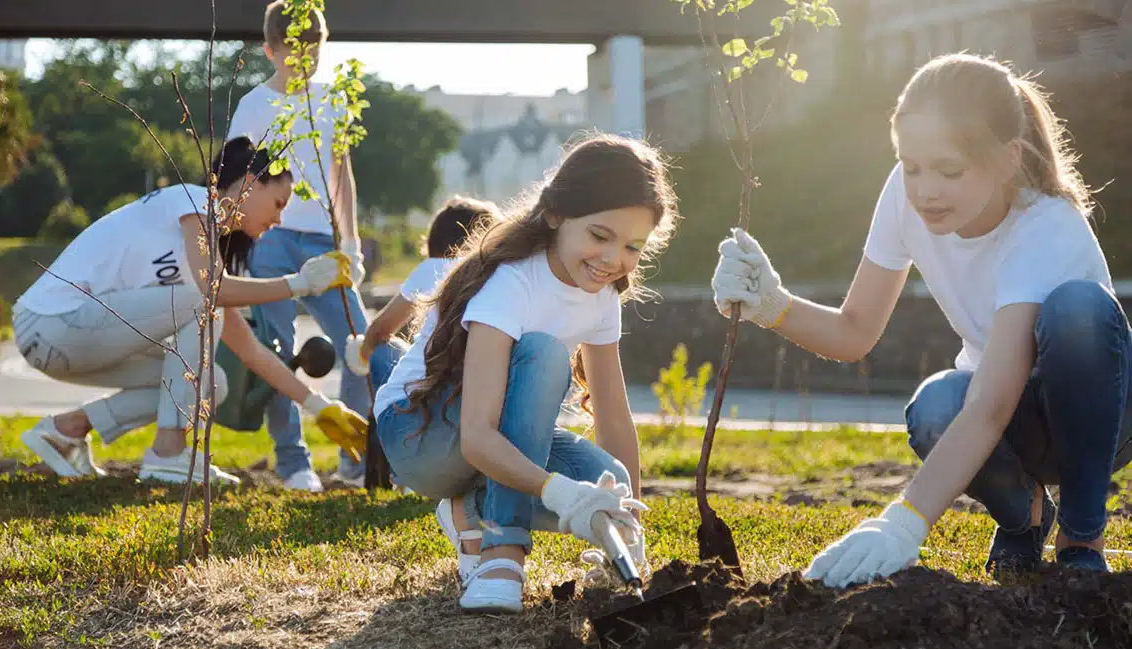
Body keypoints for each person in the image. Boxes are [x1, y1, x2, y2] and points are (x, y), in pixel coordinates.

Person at [712, 52, 1130, 588]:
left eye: (948, 170)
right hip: (1009, 418)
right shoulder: (906, 198)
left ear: (1008, 159)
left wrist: (903, 522)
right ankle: (1025, 518)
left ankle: (1082, 532)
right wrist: (773, 305)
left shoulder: (1046, 225)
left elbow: (990, 405)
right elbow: (854, 332)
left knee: (1079, 310)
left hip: (1104, 417)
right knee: (934, 407)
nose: (925, 188)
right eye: (911, 167)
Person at [371, 133, 680, 612]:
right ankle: (501, 552)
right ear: (556, 215)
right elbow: (477, 436)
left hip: (490, 436)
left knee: (608, 478)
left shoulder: (602, 295)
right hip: (419, 433)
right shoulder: (511, 282)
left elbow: (615, 422)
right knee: (543, 353)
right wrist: (561, 494)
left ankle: (467, 509)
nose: (613, 260)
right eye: (600, 236)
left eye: (633, 246)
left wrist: (627, 524)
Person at [15, 137, 369, 485]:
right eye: (278, 203)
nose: (278, 219)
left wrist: (319, 406)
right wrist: (301, 283)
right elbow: (212, 292)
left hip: (73, 340)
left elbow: (251, 351)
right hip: (50, 324)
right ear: (249, 183)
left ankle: (66, 431)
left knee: (213, 382)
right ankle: (169, 455)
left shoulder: (202, 260)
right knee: (206, 303)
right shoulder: (193, 201)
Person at [226, 0, 371, 492]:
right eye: (293, 51)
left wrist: (350, 244)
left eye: (314, 49)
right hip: (269, 239)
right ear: (270, 50)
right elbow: (236, 182)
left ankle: (355, 460)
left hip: (323, 240)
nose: (304, 59)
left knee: (358, 344)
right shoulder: (252, 107)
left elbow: (342, 174)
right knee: (278, 349)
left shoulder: (334, 100)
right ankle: (294, 464)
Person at [342, 195, 500, 401]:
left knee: (382, 350)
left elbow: (380, 330)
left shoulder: (434, 268)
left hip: (430, 396)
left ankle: (379, 423)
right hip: (482, 393)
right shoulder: (498, 274)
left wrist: (361, 353)